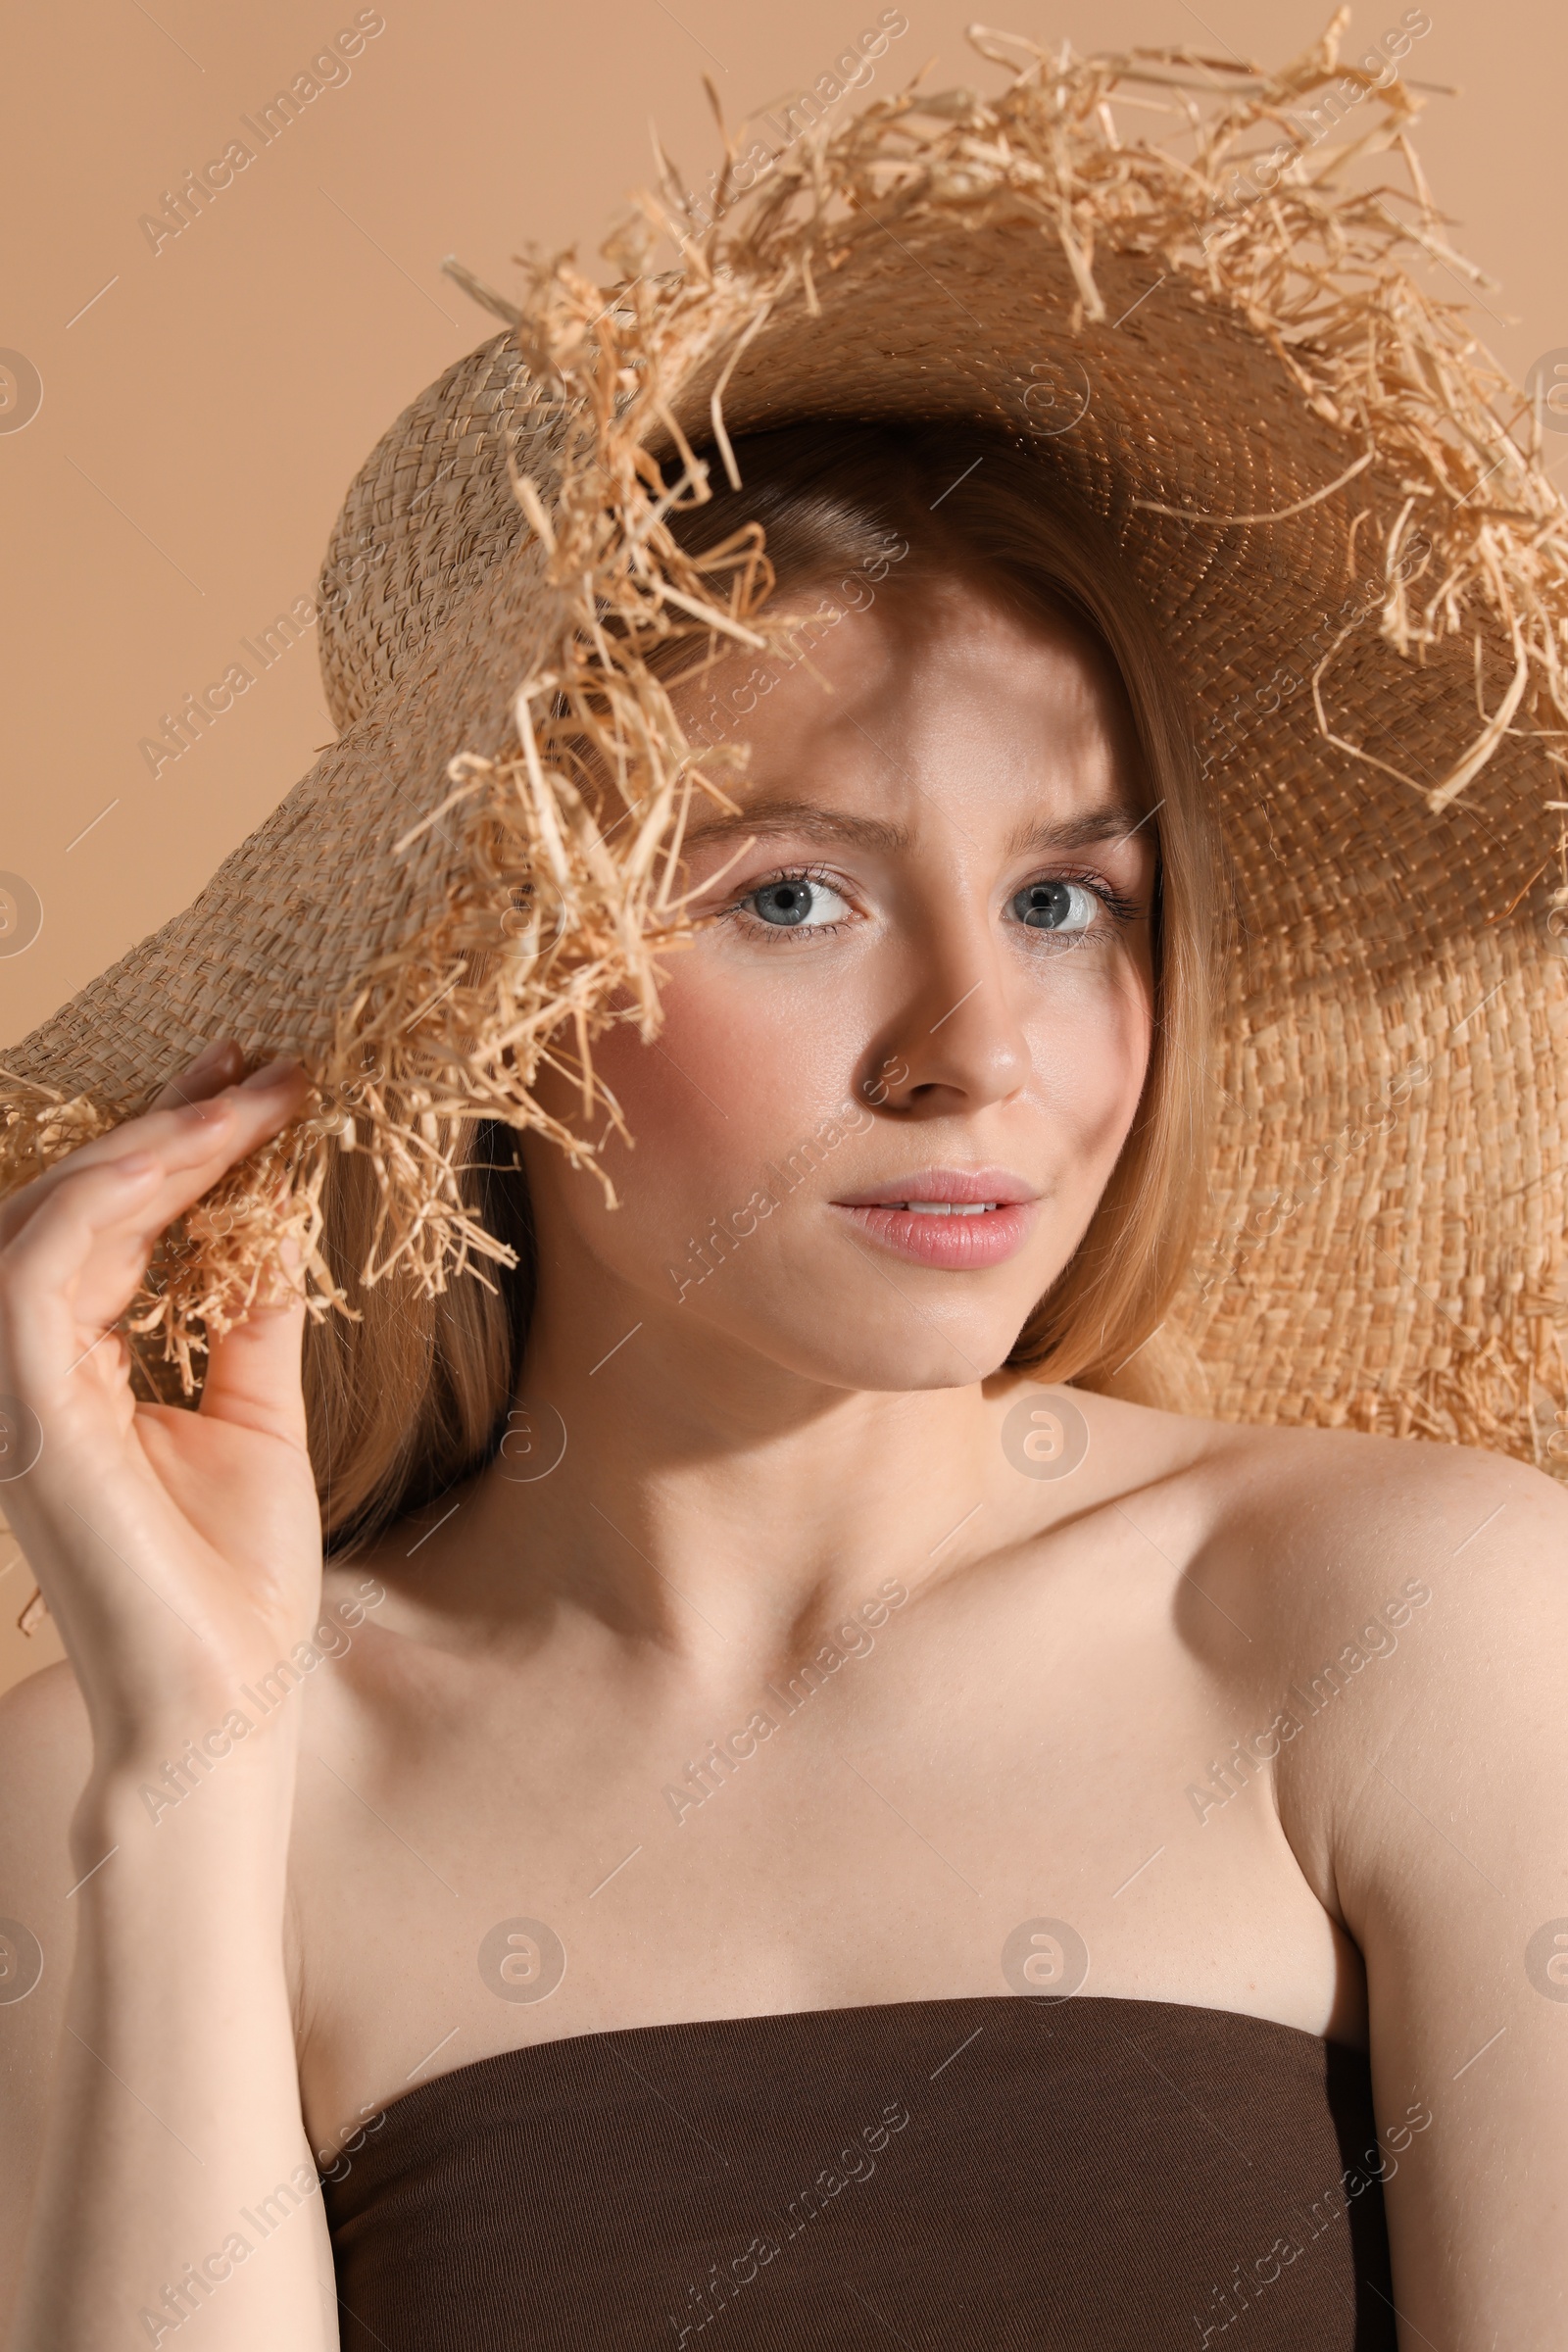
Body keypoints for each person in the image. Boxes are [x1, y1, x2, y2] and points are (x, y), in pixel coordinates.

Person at [3, 30, 1567, 2352]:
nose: (972, 1049)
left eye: (1063, 902)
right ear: (484, 984)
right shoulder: (156, 1775)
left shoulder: (1393, 1623)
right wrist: (182, 1774)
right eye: (790, 900)